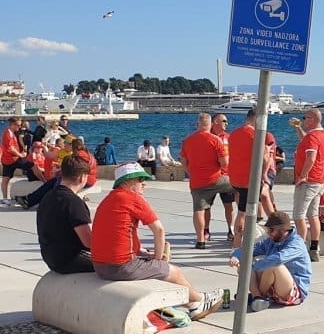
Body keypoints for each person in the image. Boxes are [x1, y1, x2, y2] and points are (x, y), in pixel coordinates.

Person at [92, 162, 228, 319]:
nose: (144, 183)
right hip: (120, 268)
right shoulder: (132, 198)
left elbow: (117, 234)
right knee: (172, 271)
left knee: (159, 268)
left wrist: (141, 252)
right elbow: (159, 230)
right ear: (126, 182)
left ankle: (194, 304)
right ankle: (198, 301)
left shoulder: (108, 200)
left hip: (100, 266)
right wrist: (157, 259)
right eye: (139, 179)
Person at [229, 211, 312, 313]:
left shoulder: (296, 243)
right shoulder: (271, 241)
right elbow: (250, 249)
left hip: (293, 292)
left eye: (271, 230)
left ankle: (259, 296)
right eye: (268, 229)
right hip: (273, 289)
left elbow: (278, 259)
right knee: (246, 260)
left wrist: (253, 268)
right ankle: (257, 297)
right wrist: (236, 256)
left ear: (283, 230)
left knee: (275, 265)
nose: (268, 233)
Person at [179, 113, 233, 249]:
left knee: (199, 209)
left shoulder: (187, 140)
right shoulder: (215, 140)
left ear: (198, 124)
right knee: (240, 186)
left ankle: (201, 240)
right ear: (210, 124)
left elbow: (183, 161)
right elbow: (224, 163)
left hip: (197, 182)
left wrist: (190, 172)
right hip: (216, 179)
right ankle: (240, 227)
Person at [36, 155, 94, 274]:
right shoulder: (73, 202)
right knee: (119, 262)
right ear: (81, 177)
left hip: (50, 257)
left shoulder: (48, 196)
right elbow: (89, 241)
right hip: (71, 258)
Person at [227, 109, 274, 247]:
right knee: (246, 212)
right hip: (250, 180)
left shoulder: (233, 134)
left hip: (236, 178)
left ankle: (237, 242)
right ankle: (244, 241)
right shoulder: (256, 135)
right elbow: (266, 157)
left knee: (243, 209)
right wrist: (264, 173)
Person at [293, 108, 324, 262]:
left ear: (312, 119)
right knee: (313, 215)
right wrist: (298, 128)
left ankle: (299, 250)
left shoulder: (313, 136)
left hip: (309, 181)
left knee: (299, 216)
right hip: (319, 181)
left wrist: (302, 176)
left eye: (305, 118)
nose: (304, 120)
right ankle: (314, 248)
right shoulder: (321, 135)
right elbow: (306, 141)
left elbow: (311, 157)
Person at [205, 113, 236, 242]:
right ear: (215, 122)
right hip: (210, 177)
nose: (226, 123)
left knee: (229, 205)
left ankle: (231, 230)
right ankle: (206, 230)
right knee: (206, 206)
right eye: (224, 121)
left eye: (227, 121)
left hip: (226, 177)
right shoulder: (207, 136)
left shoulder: (228, 138)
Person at [0, 117, 36, 204]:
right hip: (13, 159)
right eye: (18, 125)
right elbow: (11, 148)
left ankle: (5, 198)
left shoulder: (12, 133)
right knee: (33, 165)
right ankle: (44, 181)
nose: (19, 127)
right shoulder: (7, 133)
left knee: (6, 178)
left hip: (9, 159)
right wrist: (20, 155)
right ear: (12, 125)